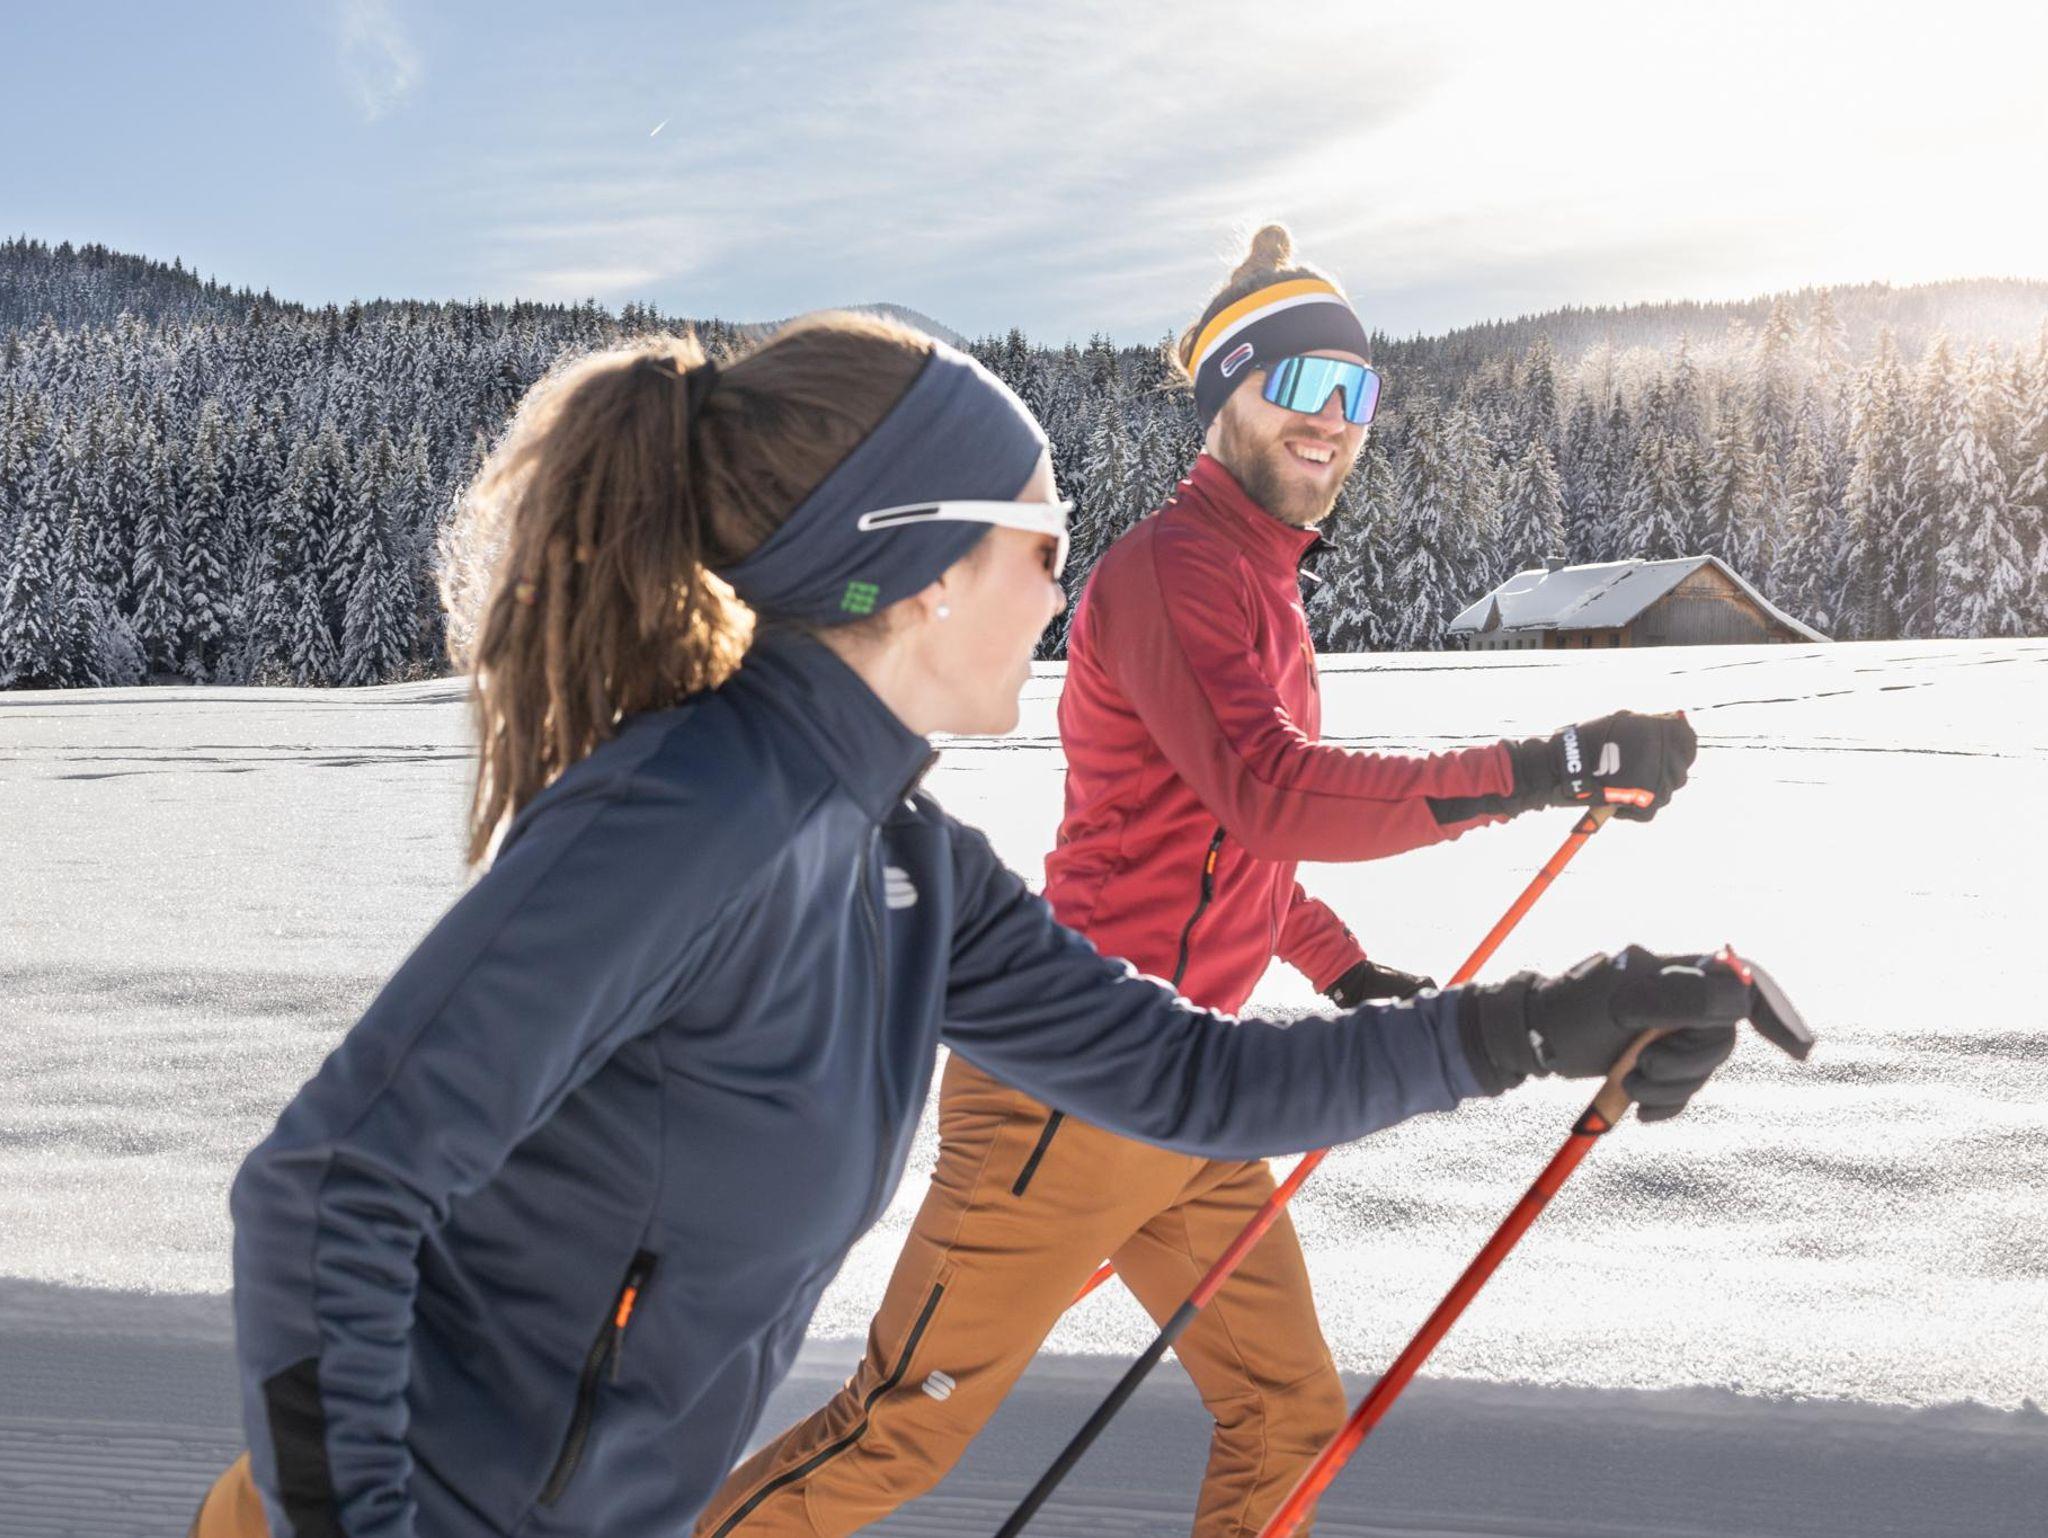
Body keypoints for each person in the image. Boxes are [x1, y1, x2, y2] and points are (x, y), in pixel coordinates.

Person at [191, 312, 1746, 1538]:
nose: (1066, 593)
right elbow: (329, 1190)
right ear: (922, 564)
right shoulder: (691, 812)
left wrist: (1553, 1020)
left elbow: (1200, 1081)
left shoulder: (907, 864)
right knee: (903, 1426)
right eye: (1041, 545)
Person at [697, 233, 1701, 1538]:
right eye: (1304, 383)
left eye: (1360, 392)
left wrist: (1339, 963)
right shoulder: (1174, 571)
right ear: (1229, 390)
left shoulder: (1261, 586)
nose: (1334, 420)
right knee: (898, 1429)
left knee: (1286, 1413)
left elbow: (1229, 846)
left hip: (1190, 1092)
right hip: (1070, 1078)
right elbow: (1269, 791)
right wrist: (1545, 767)